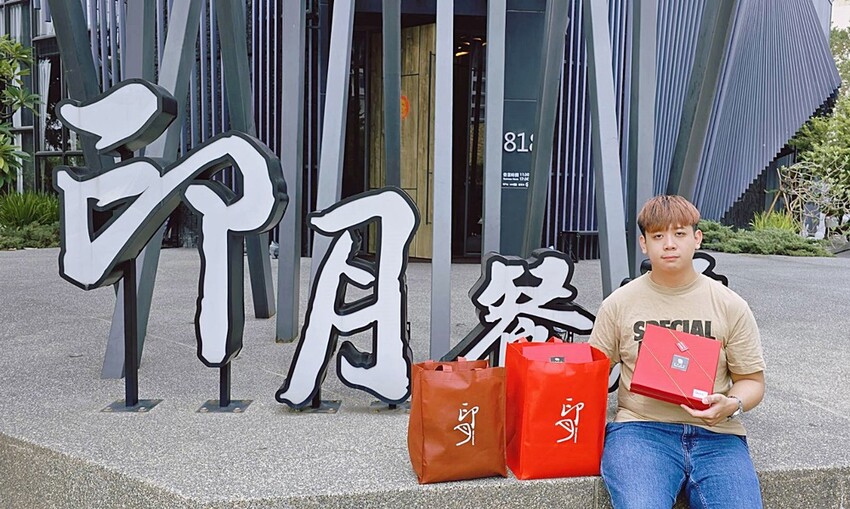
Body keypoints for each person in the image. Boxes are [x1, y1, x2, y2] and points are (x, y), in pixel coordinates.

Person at [589, 195, 765, 509]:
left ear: (697, 239)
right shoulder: (618, 304)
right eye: (658, 236)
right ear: (644, 244)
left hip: (717, 436)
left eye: (680, 233)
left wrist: (731, 404)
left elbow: (752, 381)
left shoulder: (730, 304)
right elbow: (591, 375)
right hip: (639, 431)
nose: (669, 244)